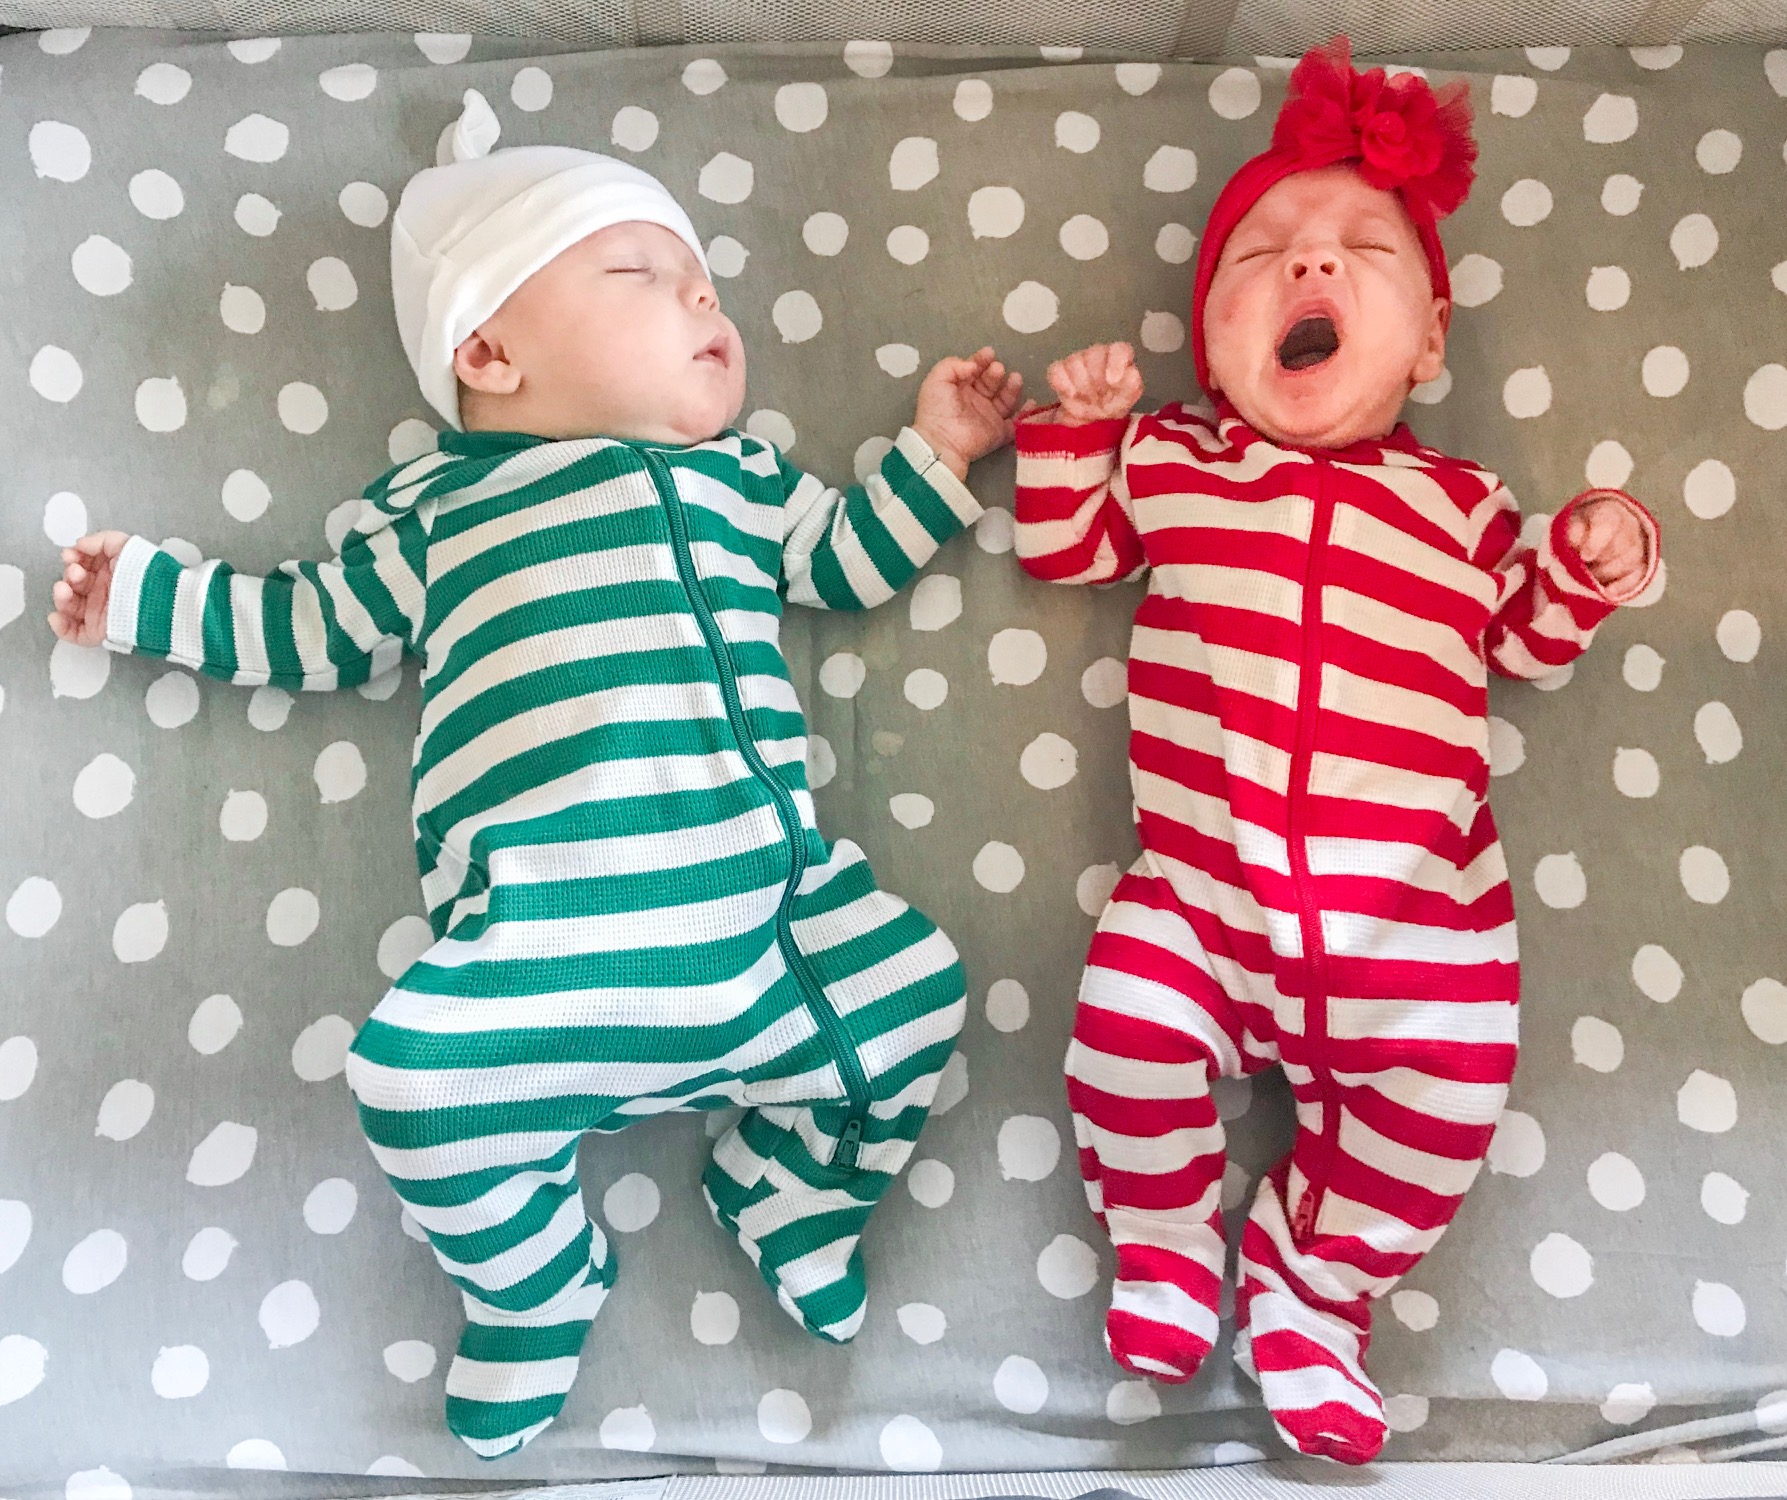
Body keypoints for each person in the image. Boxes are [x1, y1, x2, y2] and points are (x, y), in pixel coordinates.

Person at [48, 89, 1024, 1460]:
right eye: (642, 274)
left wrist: (939, 453)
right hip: (537, 953)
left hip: (768, 924)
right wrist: (148, 600)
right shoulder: (439, 515)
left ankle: (790, 1187)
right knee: (407, 1085)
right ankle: (535, 1280)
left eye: (703, 280)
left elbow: (847, 564)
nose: (704, 299)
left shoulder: (743, 481)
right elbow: (313, 625)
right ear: (489, 351)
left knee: (916, 993)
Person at [1012, 38, 1657, 1463]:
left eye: (1364, 251)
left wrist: (1585, 562)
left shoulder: (1461, 505)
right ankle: (1166, 1235)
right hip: (1203, 898)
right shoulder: (1179, 463)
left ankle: (1314, 1283)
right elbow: (1067, 550)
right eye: (1261, 258)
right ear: (1212, 345)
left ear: (1427, 342)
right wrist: (1079, 433)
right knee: (1123, 1031)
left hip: (1415, 919)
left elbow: (1527, 642)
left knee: (1451, 1093)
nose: (1310, 264)